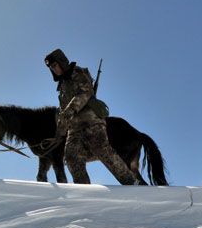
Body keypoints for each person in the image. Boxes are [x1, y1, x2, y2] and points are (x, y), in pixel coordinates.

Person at [44, 48, 137, 185]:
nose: (53, 69)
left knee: (102, 149)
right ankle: (84, 190)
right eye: (51, 68)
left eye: (54, 65)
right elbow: (63, 113)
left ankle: (132, 183)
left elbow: (85, 92)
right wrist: (59, 133)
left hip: (91, 121)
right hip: (74, 129)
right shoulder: (62, 86)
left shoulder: (78, 72)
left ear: (61, 62)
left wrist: (70, 109)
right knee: (71, 156)